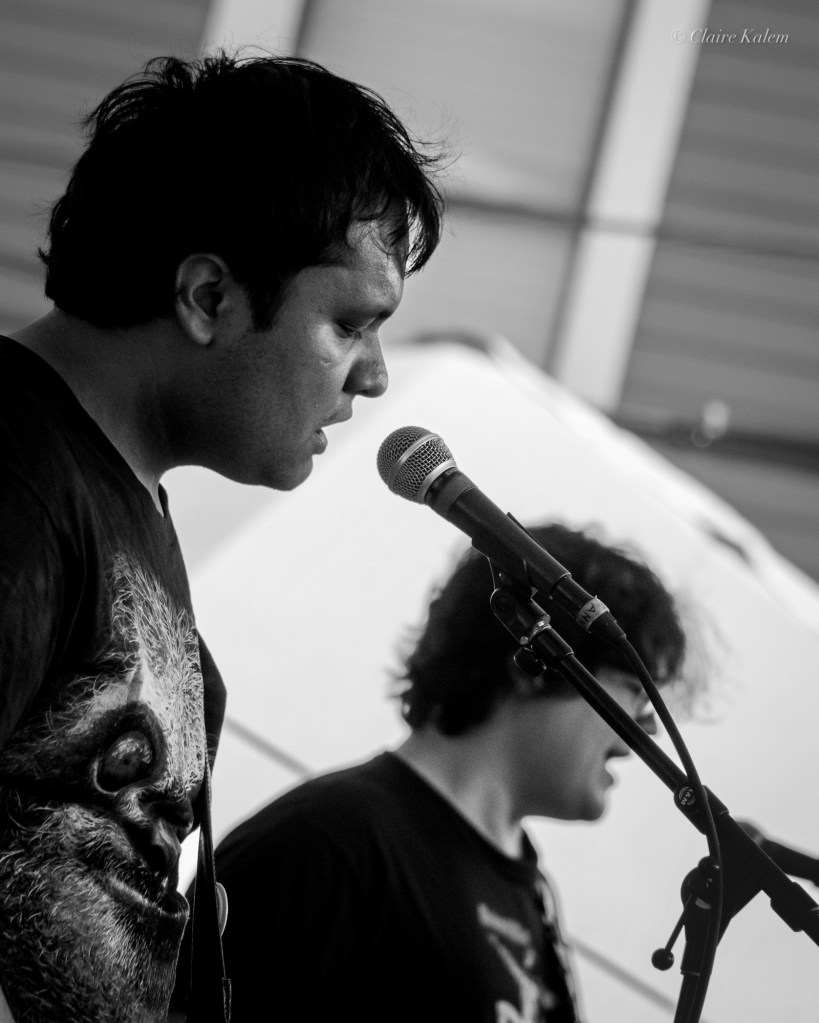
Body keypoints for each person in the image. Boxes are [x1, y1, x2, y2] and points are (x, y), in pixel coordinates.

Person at [0, 50, 443, 1023]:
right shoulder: (18, 479)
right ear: (208, 297)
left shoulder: (122, 498)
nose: (374, 377)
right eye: (350, 324)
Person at [207, 523, 694, 1022]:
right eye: (633, 690)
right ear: (531, 665)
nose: (648, 728)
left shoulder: (529, 887)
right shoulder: (322, 844)